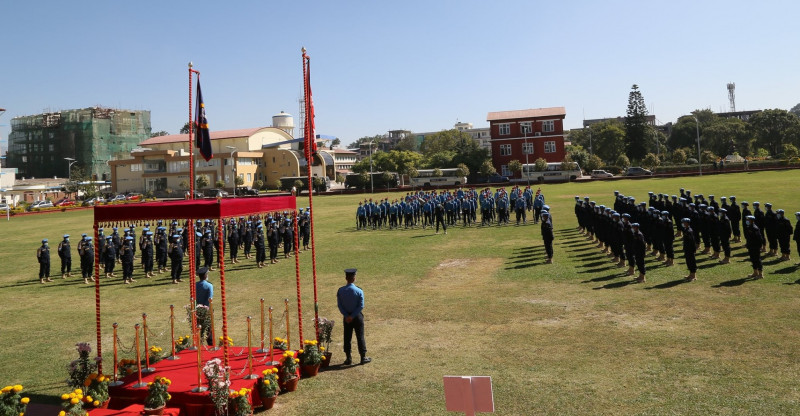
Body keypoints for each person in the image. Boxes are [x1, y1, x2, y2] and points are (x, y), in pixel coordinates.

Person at [337, 268, 370, 365]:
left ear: (346, 278)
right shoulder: (359, 290)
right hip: (357, 316)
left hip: (346, 317)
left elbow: (340, 305)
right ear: (354, 278)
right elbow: (361, 305)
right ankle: (363, 357)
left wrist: (347, 316)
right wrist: (353, 315)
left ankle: (348, 358)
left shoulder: (341, 290)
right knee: (360, 336)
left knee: (347, 337)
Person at [195, 267, 214, 345]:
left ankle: (199, 344)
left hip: (198, 309)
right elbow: (210, 298)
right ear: (206, 275)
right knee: (209, 328)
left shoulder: (195, 285)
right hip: (207, 309)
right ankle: (210, 343)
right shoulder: (209, 285)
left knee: (199, 328)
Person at [743, 215, 764, 279]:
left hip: (755, 246)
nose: (747, 221)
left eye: (748, 220)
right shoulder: (749, 227)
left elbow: (759, 238)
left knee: (757, 260)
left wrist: (759, 246)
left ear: (752, 220)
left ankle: (760, 274)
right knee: (753, 259)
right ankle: (755, 272)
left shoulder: (755, 228)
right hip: (751, 246)